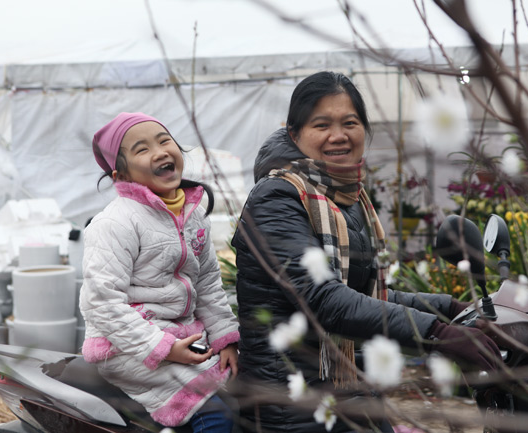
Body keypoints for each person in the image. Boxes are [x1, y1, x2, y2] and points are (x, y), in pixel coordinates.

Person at [231, 71, 501, 433]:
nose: (338, 135)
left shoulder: (347, 198)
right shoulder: (276, 198)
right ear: (295, 135)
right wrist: (437, 333)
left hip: (347, 388)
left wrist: (450, 309)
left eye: (350, 122)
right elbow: (324, 299)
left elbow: (367, 294)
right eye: (321, 124)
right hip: (292, 404)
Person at [80, 112, 240, 432]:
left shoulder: (193, 216)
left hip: (179, 333)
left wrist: (225, 339)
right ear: (119, 175)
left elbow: (208, 282)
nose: (160, 151)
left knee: (241, 393)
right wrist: (163, 348)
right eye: (141, 149)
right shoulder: (116, 222)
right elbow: (100, 303)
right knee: (214, 412)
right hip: (127, 345)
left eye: (164, 140)